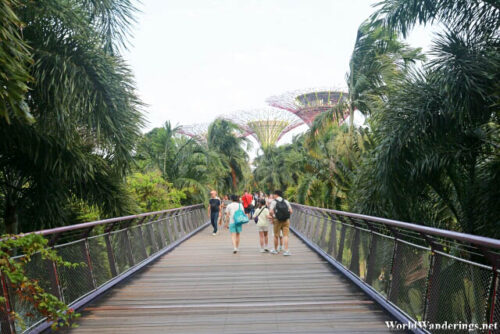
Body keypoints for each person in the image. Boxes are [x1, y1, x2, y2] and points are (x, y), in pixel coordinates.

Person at [269, 190, 293, 256]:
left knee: (276, 235)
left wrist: (273, 217)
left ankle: (275, 250)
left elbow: (271, 211)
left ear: (276, 195)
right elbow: (291, 211)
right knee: (285, 235)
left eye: (274, 194)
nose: (273, 195)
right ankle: (286, 250)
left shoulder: (274, 202)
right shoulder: (286, 201)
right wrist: (285, 216)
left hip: (277, 220)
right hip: (286, 220)